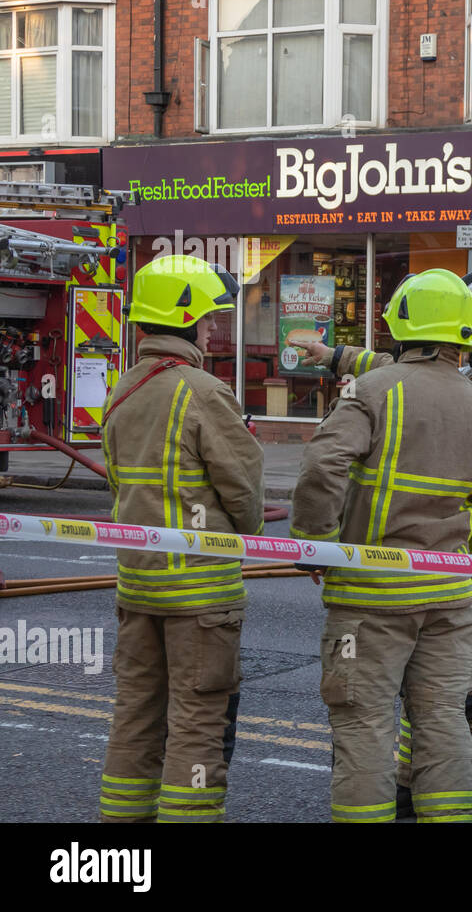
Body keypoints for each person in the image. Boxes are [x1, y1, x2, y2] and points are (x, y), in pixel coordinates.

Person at [298, 270, 472, 822]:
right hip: (450, 595)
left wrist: (316, 543)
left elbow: (322, 465)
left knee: (364, 720)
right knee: (442, 719)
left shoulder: (375, 393)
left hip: (371, 596)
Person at [99, 254, 265, 823]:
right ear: (189, 319)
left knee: (136, 714)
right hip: (199, 593)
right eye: (210, 315)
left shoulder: (124, 390)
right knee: (197, 718)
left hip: (139, 582)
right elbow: (242, 490)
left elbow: (119, 481)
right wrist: (247, 527)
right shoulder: (203, 392)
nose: (214, 326)